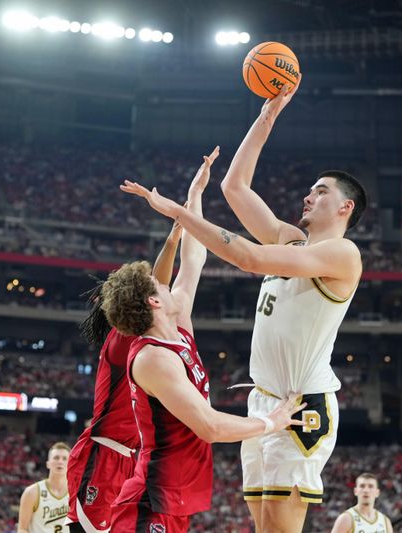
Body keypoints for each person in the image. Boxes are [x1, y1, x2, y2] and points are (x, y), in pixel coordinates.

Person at [120, 74, 366, 532]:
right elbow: (234, 187)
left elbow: (248, 258)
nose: (308, 196)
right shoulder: (290, 238)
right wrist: (267, 114)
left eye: (321, 191)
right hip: (262, 401)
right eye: (310, 190)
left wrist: (180, 213)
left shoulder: (341, 255)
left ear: (345, 208)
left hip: (300, 402)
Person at [105, 147, 307, 533]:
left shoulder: (178, 324)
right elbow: (210, 427)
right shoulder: (152, 359)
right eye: (157, 283)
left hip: (174, 499)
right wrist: (270, 421)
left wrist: (194, 197)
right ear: (153, 301)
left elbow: (193, 260)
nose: (166, 282)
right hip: (150, 501)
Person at [66, 151, 214, 533]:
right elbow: (158, 282)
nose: (158, 290)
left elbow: (167, 279)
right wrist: (178, 222)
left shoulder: (159, 329)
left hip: (139, 461)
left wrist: (182, 219)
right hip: (105, 455)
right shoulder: (123, 341)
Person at [18, 442, 72, 533]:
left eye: (64, 458)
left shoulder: (78, 494)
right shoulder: (32, 492)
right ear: (48, 464)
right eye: (56, 458)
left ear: (70, 463)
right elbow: (22, 529)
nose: (60, 461)